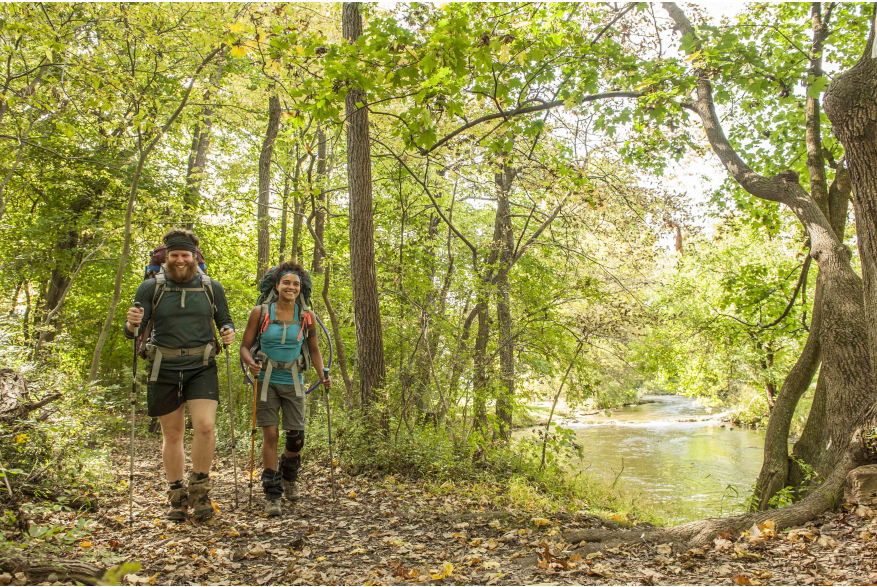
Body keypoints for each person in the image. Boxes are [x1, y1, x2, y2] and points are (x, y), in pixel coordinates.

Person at [124, 229, 235, 521]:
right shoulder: (150, 288)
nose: (180, 260)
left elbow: (224, 320)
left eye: (185, 255)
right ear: (166, 258)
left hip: (202, 365)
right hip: (163, 366)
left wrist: (228, 332)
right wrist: (131, 323)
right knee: (172, 434)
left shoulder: (212, 288)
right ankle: (176, 497)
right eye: (174, 255)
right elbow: (133, 333)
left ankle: (200, 493)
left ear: (194, 257)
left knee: (205, 426)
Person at [239, 262, 331, 516]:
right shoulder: (260, 312)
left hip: (293, 380)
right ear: (277, 285)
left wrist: (323, 375)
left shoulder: (306, 316)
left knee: (296, 438)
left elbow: (314, 350)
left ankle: (289, 475)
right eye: (286, 283)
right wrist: (250, 363)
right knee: (270, 435)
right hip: (266, 380)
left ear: (300, 288)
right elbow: (244, 347)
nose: (291, 287)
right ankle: (272, 494)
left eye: (296, 284)